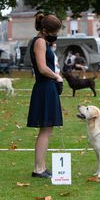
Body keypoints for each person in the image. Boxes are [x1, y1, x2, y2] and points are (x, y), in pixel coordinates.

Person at [27, 12, 63, 178]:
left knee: (47, 130)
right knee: (45, 130)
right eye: (56, 32)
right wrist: (56, 76)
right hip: (45, 87)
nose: (57, 35)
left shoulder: (44, 42)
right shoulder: (40, 42)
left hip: (48, 87)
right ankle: (38, 168)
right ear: (48, 31)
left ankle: (41, 167)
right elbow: (42, 68)